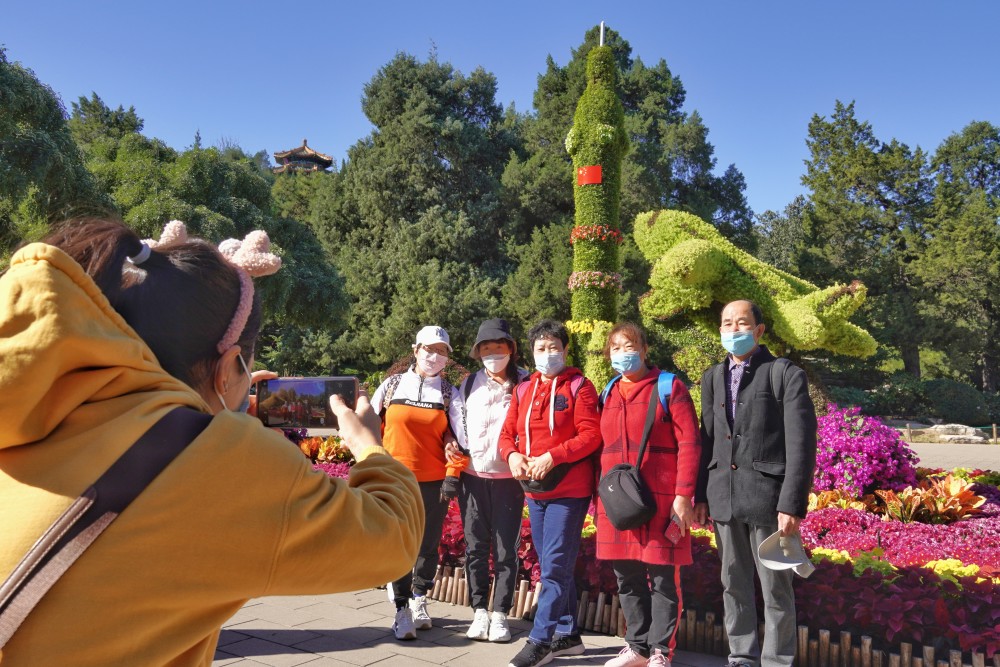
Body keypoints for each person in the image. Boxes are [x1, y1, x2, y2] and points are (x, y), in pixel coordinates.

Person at [0, 218, 423, 667]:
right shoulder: (223, 459)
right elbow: (392, 537)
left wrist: (219, 421)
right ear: (229, 366)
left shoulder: (35, 403)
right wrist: (369, 446)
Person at [693, 300, 817, 667]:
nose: (733, 330)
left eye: (742, 323)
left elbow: (801, 443)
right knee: (733, 583)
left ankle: (777, 660)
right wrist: (701, 494)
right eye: (727, 323)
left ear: (759, 330)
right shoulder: (712, 377)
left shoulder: (783, 373)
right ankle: (741, 656)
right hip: (724, 499)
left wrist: (792, 504)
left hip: (768, 499)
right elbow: (708, 439)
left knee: (775, 588)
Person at [498, 319, 602, 667]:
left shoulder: (579, 387)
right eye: (541, 349)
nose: (547, 354)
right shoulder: (524, 389)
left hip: (569, 490)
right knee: (552, 563)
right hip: (535, 491)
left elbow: (591, 436)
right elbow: (507, 434)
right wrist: (512, 455)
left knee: (554, 566)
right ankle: (569, 635)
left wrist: (553, 455)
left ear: (565, 349)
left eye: (554, 347)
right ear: (532, 352)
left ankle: (540, 641)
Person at [596, 323, 701, 667]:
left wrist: (684, 495)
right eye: (615, 348)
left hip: (661, 498)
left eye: (629, 346)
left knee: (663, 578)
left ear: (644, 350)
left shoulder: (670, 387)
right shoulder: (609, 391)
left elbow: (690, 443)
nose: (622, 354)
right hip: (619, 502)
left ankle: (660, 650)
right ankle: (637, 647)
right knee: (626, 577)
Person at [371, 325, 469, 640]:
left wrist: (453, 473)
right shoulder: (391, 385)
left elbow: (461, 439)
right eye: (429, 349)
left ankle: (420, 599)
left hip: (433, 481)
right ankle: (401, 610)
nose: (434, 356)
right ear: (416, 350)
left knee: (427, 545)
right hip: (394, 478)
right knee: (400, 542)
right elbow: (368, 428)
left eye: (441, 351)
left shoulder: (448, 394)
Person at [453, 318, 529, 644]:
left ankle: (500, 614)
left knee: (504, 551)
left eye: (498, 348)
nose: (493, 354)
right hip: (472, 477)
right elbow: (454, 424)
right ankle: (479, 611)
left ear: (510, 349)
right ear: (478, 352)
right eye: (486, 349)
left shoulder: (526, 383)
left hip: (508, 479)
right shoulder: (469, 384)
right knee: (475, 548)